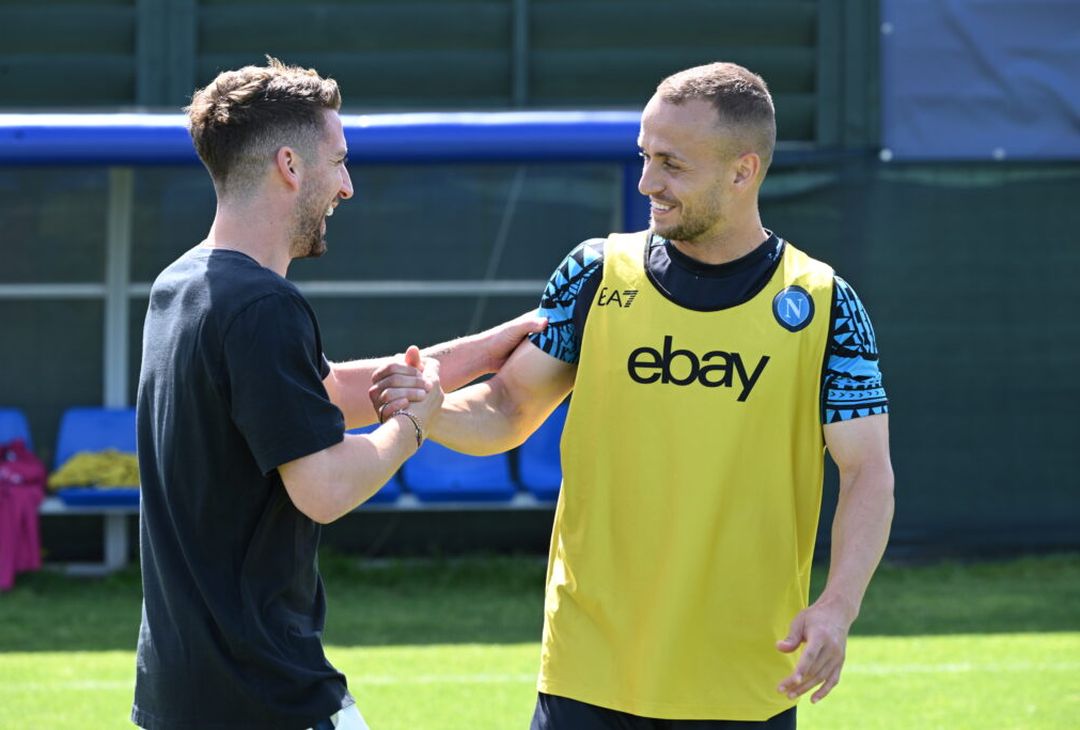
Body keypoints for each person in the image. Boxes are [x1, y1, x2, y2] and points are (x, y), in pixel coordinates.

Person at [371, 62, 895, 729]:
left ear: (743, 171)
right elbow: (507, 408)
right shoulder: (594, 273)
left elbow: (866, 471)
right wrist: (434, 409)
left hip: (744, 677)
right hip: (589, 670)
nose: (647, 182)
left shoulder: (824, 304)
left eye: (671, 164)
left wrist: (838, 606)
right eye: (645, 156)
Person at [132, 58, 544, 730]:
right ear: (291, 166)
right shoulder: (263, 305)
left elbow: (325, 392)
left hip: (180, 691)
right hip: (263, 695)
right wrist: (415, 424)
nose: (347, 186)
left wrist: (491, 346)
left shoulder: (182, 285)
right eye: (340, 162)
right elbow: (324, 488)